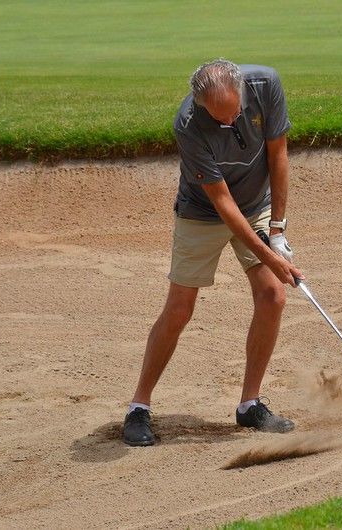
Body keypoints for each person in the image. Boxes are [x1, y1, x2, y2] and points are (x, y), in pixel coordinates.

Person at [123, 59, 303, 447]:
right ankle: (138, 406)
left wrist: (277, 231)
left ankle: (249, 404)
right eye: (219, 118)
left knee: (273, 295)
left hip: (256, 204)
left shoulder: (265, 84)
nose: (230, 122)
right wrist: (270, 257)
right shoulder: (188, 124)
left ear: (241, 90)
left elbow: (278, 154)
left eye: (235, 113)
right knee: (179, 309)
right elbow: (222, 203)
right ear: (200, 103)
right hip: (202, 212)